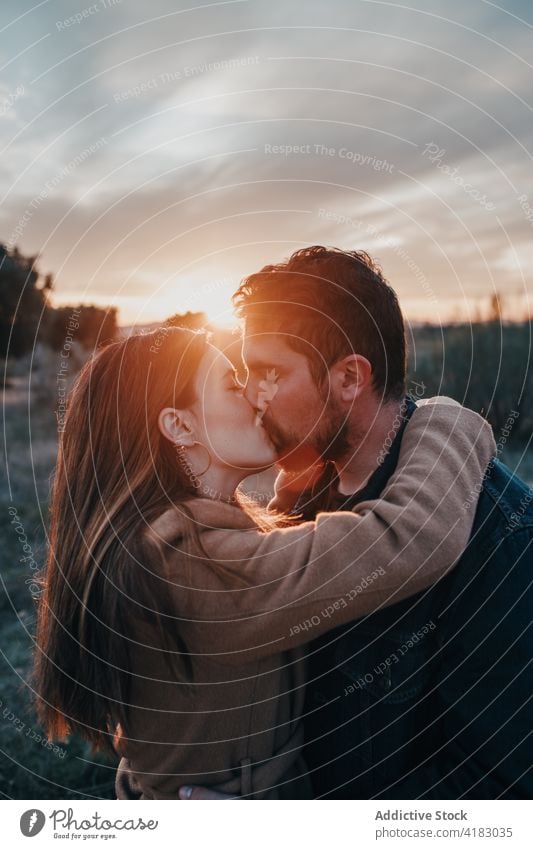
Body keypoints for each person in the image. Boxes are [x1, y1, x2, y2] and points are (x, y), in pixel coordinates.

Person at [33, 323, 495, 800]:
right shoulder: (186, 565)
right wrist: (447, 422)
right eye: (233, 384)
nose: (257, 397)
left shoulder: (159, 536)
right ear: (180, 424)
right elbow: (406, 539)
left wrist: (296, 494)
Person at [181, 245, 533, 800]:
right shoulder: (299, 502)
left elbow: (498, 792)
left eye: (270, 372)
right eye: (248, 374)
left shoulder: (497, 534)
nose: (253, 396)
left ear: (349, 377)